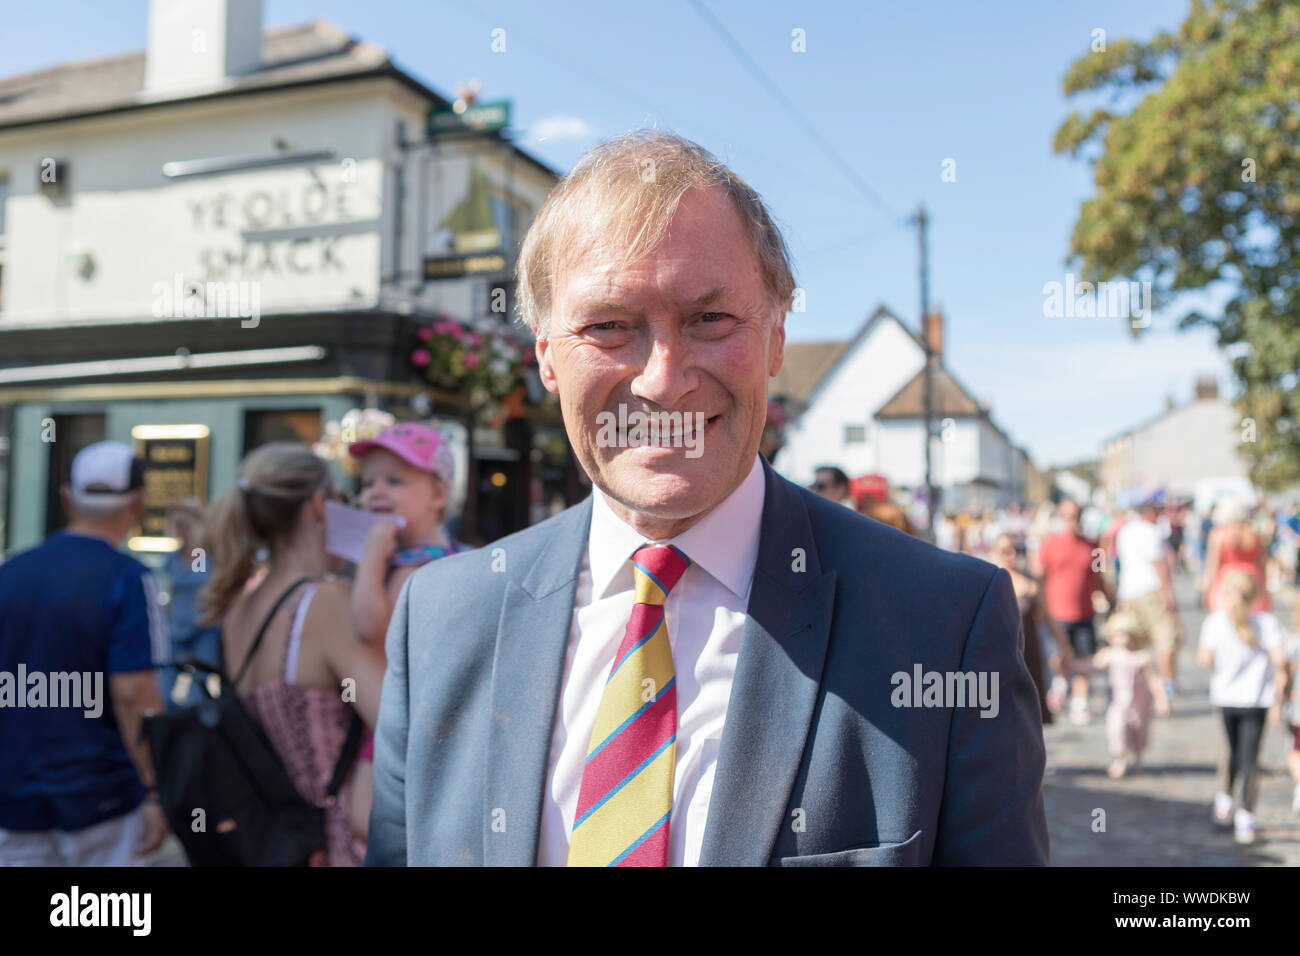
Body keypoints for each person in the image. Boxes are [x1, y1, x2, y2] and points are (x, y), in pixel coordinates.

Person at [365, 130, 1048, 867]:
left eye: (709, 319)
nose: (663, 378)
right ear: (545, 358)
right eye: (608, 325)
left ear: (777, 336)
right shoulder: (441, 618)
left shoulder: (943, 623)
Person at [201, 442, 385, 866]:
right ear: (320, 506)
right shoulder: (324, 601)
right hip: (336, 842)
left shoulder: (239, 606)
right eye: (342, 498)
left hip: (278, 841)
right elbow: (398, 722)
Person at [0, 441, 170, 865]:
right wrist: (154, 787)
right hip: (102, 795)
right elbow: (134, 692)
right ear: (139, 503)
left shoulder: (11, 572)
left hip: (14, 793)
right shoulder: (128, 578)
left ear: (68, 498)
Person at [342, 422, 473, 839]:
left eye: (395, 480)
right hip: (386, 722)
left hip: (423, 725)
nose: (375, 492)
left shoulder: (424, 567)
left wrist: (369, 560)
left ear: (438, 495)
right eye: (367, 482)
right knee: (367, 822)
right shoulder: (401, 563)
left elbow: (367, 629)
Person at [1196, 570, 1288, 845]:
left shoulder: (1215, 622)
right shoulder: (1267, 623)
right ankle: (1246, 819)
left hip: (1226, 698)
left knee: (1231, 751)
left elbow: (1204, 659)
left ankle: (1224, 803)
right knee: (1250, 759)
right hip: (1256, 700)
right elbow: (1281, 660)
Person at [1037, 498, 1114, 725]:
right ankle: (1060, 683)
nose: (1073, 521)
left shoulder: (1092, 546)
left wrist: (1110, 600)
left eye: (1076, 516)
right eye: (1068, 516)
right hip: (1056, 613)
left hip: (1084, 613)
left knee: (1084, 658)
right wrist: (1041, 608)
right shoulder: (1049, 544)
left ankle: (1079, 702)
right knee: (1058, 656)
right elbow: (1040, 578)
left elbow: (1100, 576)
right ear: (1060, 518)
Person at [989, 533, 1069, 726]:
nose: (1010, 554)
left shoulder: (1030, 582)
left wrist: (1065, 647)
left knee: (1029, 714)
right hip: (1000, 655)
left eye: (1014, 550)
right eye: (1004, 550)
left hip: (1029, 653)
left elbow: (1048, 617)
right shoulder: (989, 582)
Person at [1089, 611, 1170, 779]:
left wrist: (1162, 699)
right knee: (1117, 730)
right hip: (1118, 703)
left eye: (1124, 634)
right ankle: (1120, 759)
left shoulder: (1141, 657)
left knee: (1139, 730)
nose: (1120, 638)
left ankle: (1138, 757)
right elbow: (1090, 667)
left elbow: (1154, 679)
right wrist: (1069, 665)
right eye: (1116, 635)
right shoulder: (1110, 654)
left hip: (1139, 702)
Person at [1117, 500, 1182, 695]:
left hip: (1128, 591)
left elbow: (1103, 553)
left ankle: (1141, 683)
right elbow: (1159, 565)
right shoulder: (1151, 532)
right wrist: (1169, 594)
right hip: (1151, 590)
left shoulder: (1125, 530)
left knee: (1136, 641)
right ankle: (1167, 683)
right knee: (1165, 638)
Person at [158, 499, 217, 706]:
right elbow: (172, 589)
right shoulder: (174, 557)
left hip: (203, 628)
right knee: (163, 685)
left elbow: (202, 582)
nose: (181, 530)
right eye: (178, 525)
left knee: (197, 690)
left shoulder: (202, 555)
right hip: (177, 628)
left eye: (186, 524)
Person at [1203, 496, 1269, 615]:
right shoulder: (1253, 533)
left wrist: (1208, 591)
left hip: (1228, 582)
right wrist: (1264, 589)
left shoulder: (1218, 534)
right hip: (1252, 581)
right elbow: (1262, 563)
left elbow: (1213, 566)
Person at [1280, 598, 1300, 815]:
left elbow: (1284, 676)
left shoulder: (1294, 644)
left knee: (1295, 750)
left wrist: (1279, 700)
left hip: (1297, 707)